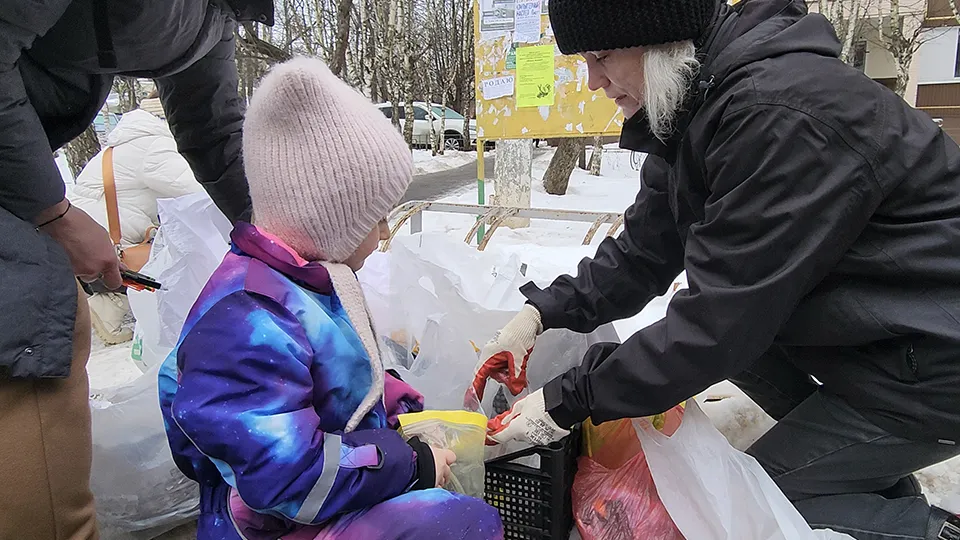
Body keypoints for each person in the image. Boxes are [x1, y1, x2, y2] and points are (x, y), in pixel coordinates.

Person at [473, 0, 960, 539]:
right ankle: (864, 478)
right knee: (737, 360)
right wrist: (542, 312)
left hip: (936, 360)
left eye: (601, 56)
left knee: (757, 505)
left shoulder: (776, 115)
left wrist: (570, 399)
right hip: (885, 332)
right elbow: (644, 253)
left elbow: (718, 326)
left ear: (657, 36)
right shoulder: (695, 103)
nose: (593, 81)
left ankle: (930, 529)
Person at [159, 57, 503, 540]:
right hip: (271, 525)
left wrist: (396, 408)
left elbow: (335, 376)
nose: (384, 232)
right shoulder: (246, 318)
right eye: (375, 217)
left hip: (316, 503)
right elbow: (288, 479)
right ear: (329, 218)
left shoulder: (307, 279)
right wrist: (409, 463)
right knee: (457, 524)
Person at [0, 1, 262, 536]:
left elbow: (213, 128)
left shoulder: (216, 18)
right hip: (21, 194)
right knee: (37, 324)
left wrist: (276, 235)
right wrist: (55, 213)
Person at [72, 108, 204, 344]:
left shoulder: (120, 148)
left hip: (85, 232)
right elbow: (194, 188)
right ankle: (110, 303)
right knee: (174, 258)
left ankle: (108, 304)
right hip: (112, 237)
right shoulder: (154, 146)